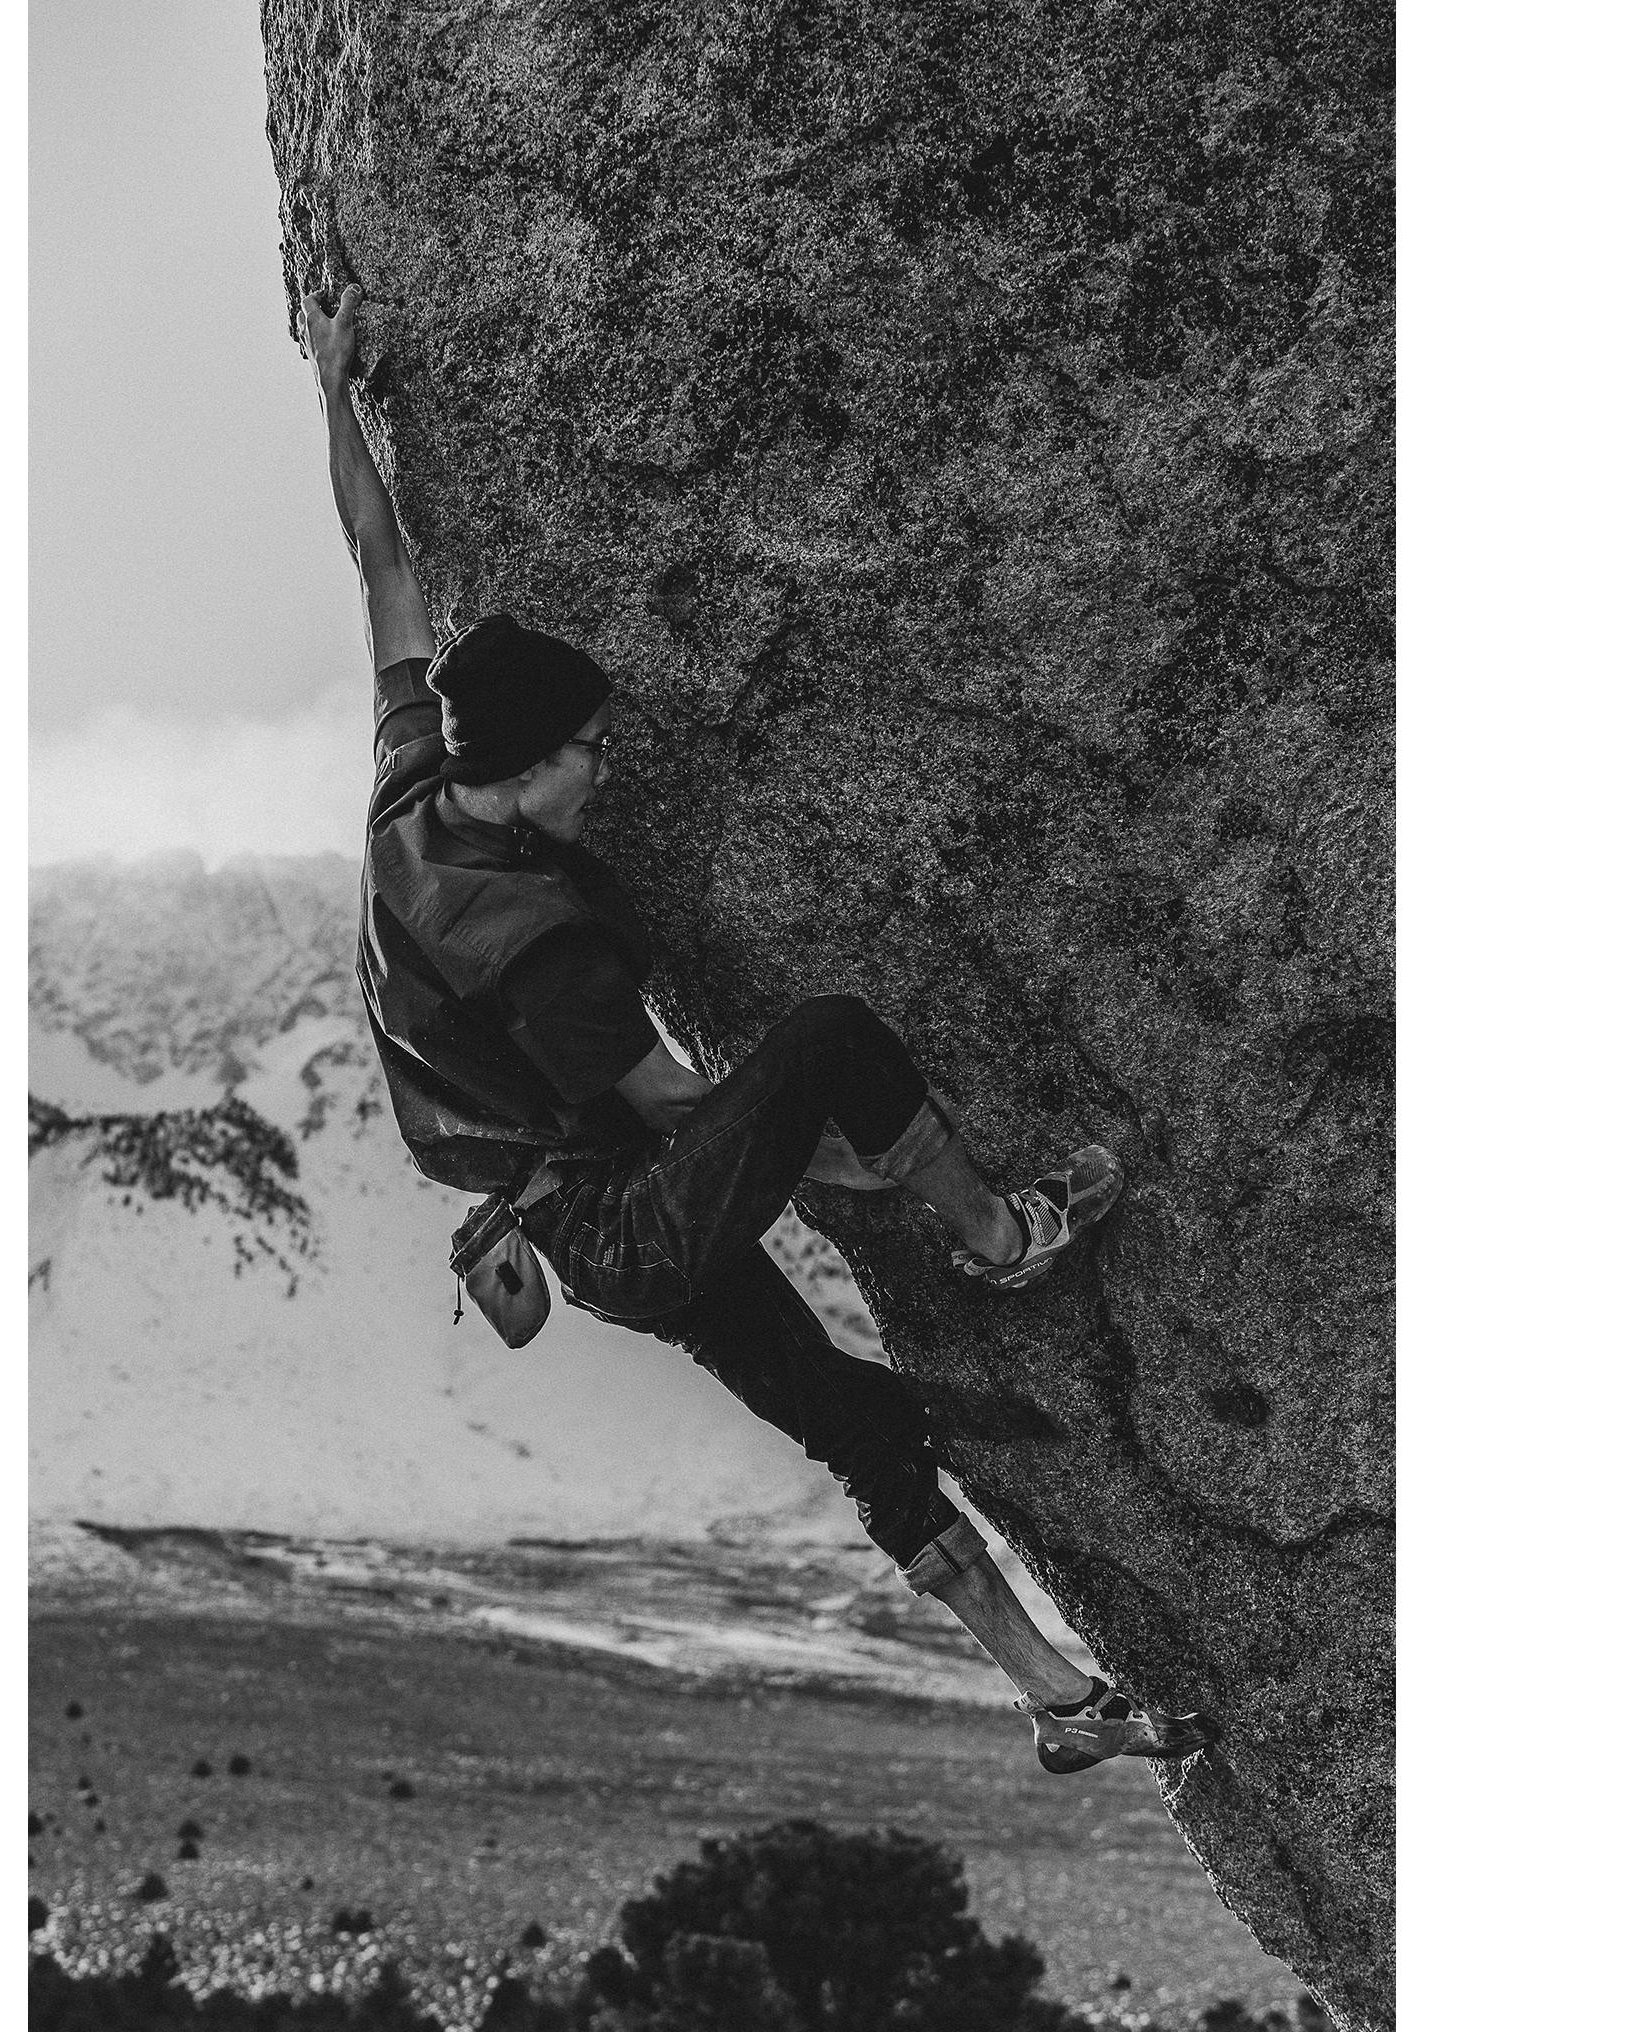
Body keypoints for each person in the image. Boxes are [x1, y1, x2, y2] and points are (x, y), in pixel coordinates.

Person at [299, 280, 1205, 1772]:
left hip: (582, 1231)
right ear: (522, 775)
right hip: (630, 1216)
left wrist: (339, 387)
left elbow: (381, 567)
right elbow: (676, 1110)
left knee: (856, 1426)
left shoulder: (417, 786)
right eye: (588, 751)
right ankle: (1000, 1238)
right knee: (832, 1039)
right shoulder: (530, 943)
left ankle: (1058, 1702)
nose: (605, 765)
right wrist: (860, 1179)